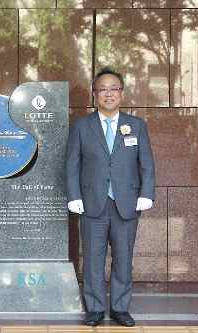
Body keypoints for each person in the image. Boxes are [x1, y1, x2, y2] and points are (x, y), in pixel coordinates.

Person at [66, 67, 155, 327]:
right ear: (95, 94)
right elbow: (72, 164)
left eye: (113, 88)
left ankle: (119, 307)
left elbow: (147, 163)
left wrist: (146, 193)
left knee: (124, 258)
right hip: (92, 203)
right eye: (102, 89)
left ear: (122, 93)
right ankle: (94, 308)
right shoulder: (82, 126)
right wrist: (74, 195)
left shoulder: (136, 125)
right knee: (92, 259)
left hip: (126, 203)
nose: (108, 94)